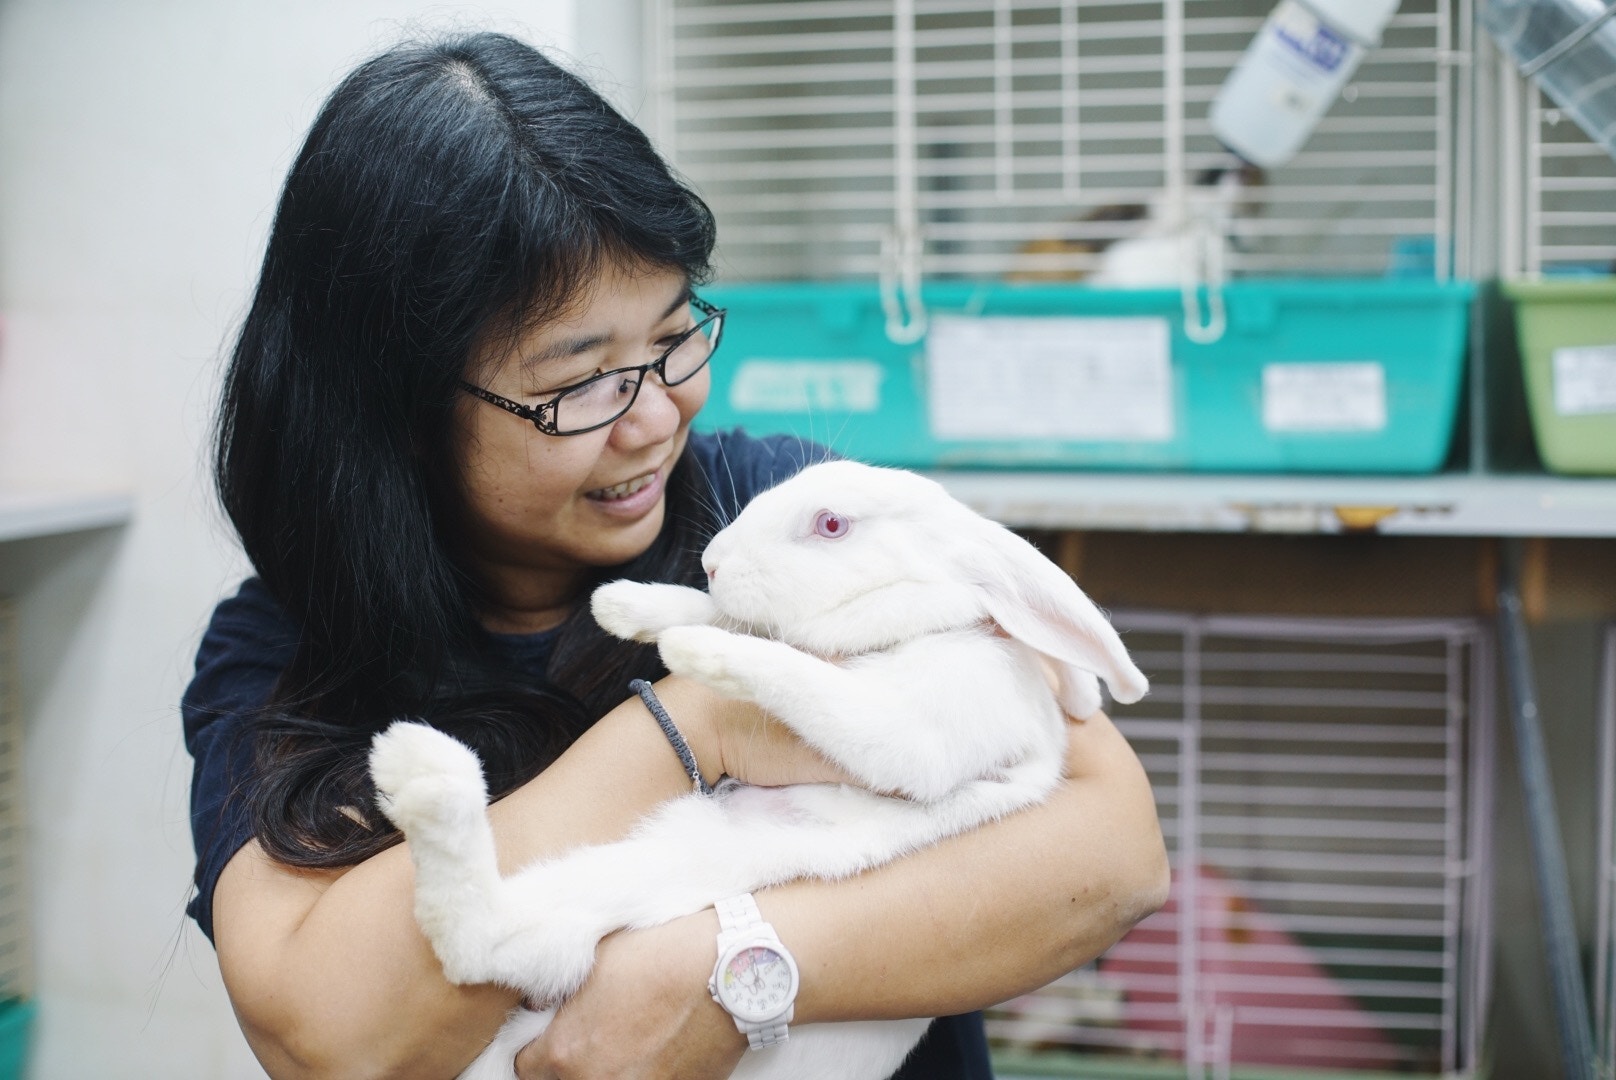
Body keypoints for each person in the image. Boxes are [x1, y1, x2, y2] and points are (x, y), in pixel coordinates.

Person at [183, 30, 1169, 1080]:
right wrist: (699, 723)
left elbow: (1108, 852)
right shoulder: (288, 653)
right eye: (583, 382)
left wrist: (730, 971)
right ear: (402, 412)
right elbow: (327, 1036)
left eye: (670, 338)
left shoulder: (772, 514)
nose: (656, 417)